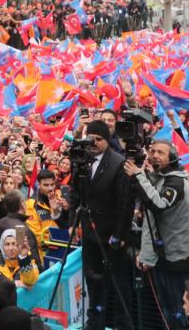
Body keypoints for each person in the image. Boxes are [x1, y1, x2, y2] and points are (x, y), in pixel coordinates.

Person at [126, 140, 189, 330]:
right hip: (161, 256)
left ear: (172, 158)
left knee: (178, 310)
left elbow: (158, 204)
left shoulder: (176, 182)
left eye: (161, 152)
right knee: (167, 309)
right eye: (152, 151)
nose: (155, 155)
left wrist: (139, 175)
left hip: (177, 259)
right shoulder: (159, 178)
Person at [78, 119, 129, 329]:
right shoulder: (82, 159)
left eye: (99, 139)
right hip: (89, 234)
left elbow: (123, 204)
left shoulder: (118, 163)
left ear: (107, 140)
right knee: (93, 283)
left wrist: (119, 235)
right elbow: (76, 193)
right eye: (91, 138)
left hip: (110, 237)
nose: (95, 143)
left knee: (117, 286)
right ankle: (94, 323)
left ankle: (120, 324)